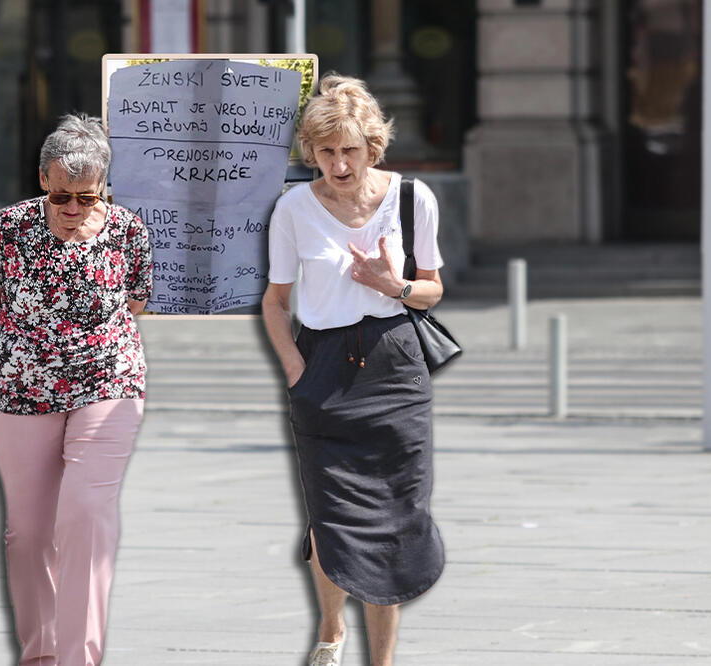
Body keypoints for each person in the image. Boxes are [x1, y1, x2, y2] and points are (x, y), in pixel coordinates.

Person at [261, 75, 445, 666]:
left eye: (350, 150)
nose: (339, 164)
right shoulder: (293, 208)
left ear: (373, 147)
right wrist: (294, 368)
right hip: (322, 369)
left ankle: (382, 661)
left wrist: (393, 285)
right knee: (331, 519)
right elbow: (275, 299)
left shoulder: (413, 200)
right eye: (326, 151)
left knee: (393, 517)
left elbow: (432, 292)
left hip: (395, 370)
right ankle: (331, 628)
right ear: (311, 152)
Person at [0, 114, 152, 666]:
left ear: (104, 190)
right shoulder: (12, 226)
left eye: (86, 198)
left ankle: (78, 658)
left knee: (86, 515)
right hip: (19, 391)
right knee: (27, 533)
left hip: (108, 384)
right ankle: (40, 653)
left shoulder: (127, 230)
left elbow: (135, 306)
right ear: (43, 180)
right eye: (62, 195)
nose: (73, 209)